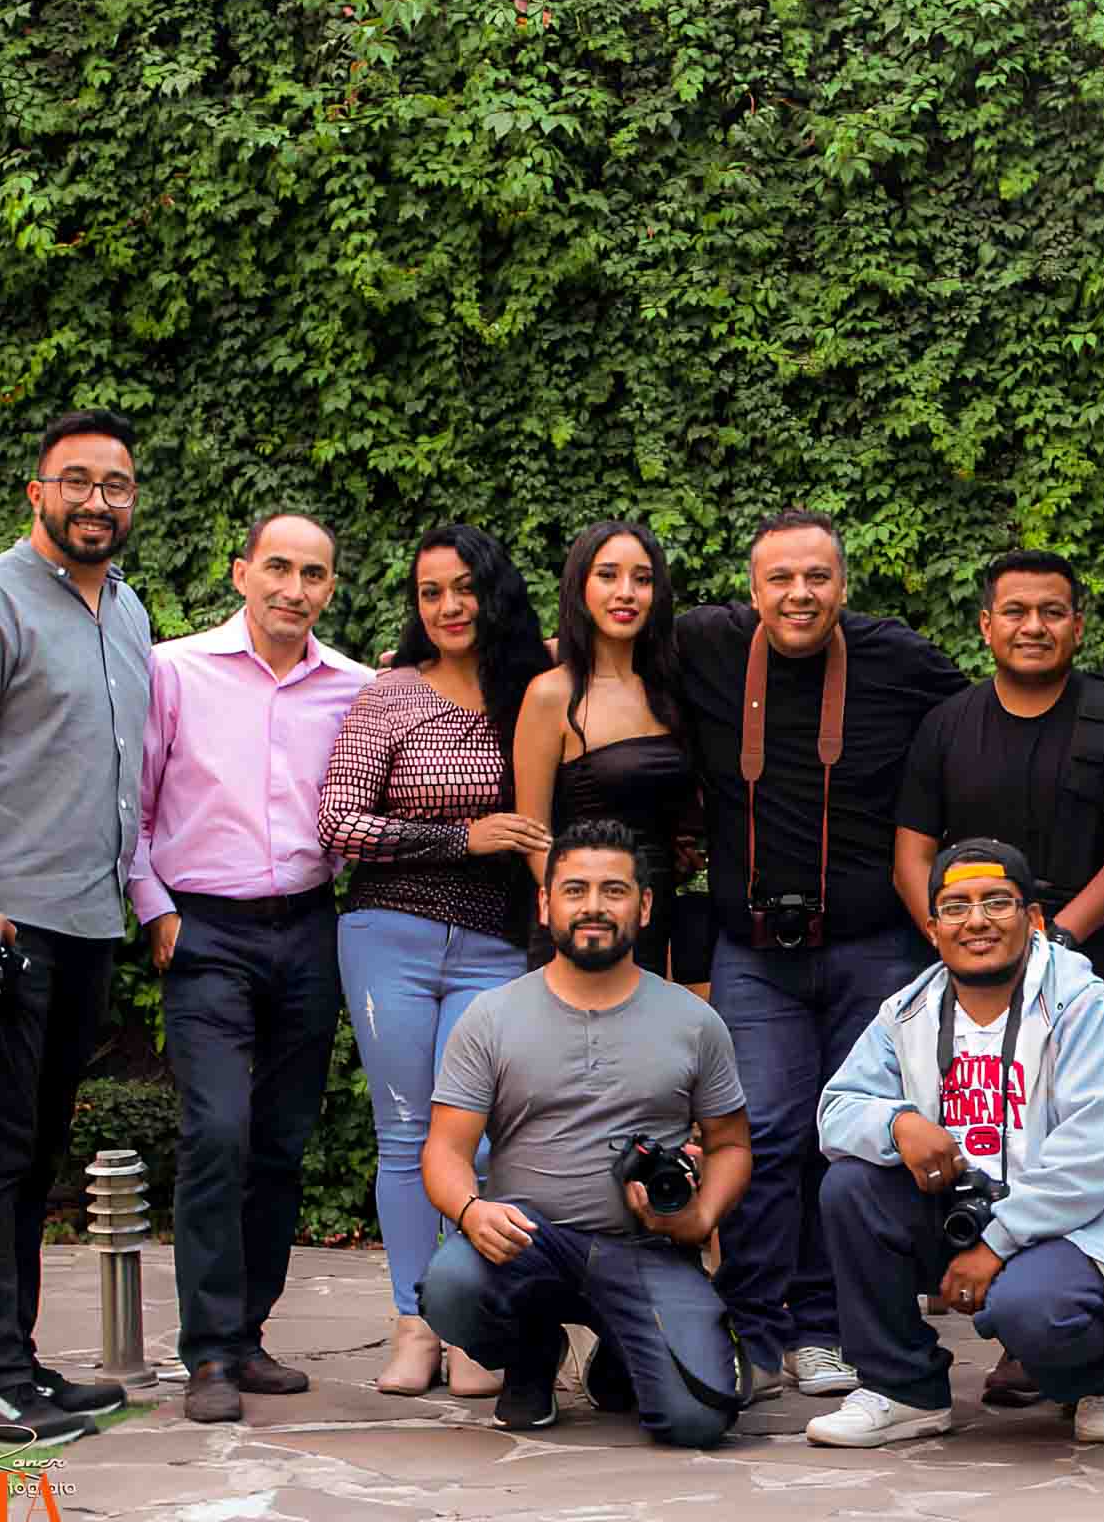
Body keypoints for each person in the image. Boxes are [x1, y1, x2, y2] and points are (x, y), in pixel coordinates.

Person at [676, 509, 968, 1399]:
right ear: (752, 589)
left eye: (817, 577)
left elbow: (989, 719)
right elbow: (593, 653)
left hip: (872, 948)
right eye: (781, 578)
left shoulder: (897, 658)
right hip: (754, 950)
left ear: (843, 583)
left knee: (853, 1139)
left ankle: (827, 1329)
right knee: (760, 1133)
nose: (799, 594)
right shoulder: (706, 645)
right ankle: (754, 1330)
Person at [0, 408, 152, 1446]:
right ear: (37, 492)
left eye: (116, 484)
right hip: (2, 919)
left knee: (39, 1149)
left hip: (87, 922)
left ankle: (20, 1362)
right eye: (77, 480)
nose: (97, 500)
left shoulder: (128, 610)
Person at [891, 549, 1104, 1406]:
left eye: (1052, 611)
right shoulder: (947, 726)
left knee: (1086, 1161)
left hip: (1093, 973)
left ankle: (1068, 1333)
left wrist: (1062, 934)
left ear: (1077, 625)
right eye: (1014, 611)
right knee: (986, 1151)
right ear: (986, 626)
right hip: (973, 984)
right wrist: (956, 937)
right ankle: (1001, 1335)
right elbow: (912, 853)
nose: (1033, 626)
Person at [805, 838, 1104, 1447]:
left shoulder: (1087, 1008)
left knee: (1034, 1312)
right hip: (959, 1211)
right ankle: (903, 1389)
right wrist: (897, 1124)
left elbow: (1093, 1163)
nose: (976, 921)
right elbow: (836, 1110)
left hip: (1072, 1226)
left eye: (997, 902)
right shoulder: (908, 1011)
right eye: (956, 907)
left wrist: (995, 1247)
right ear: (932, 929)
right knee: (851, 1186)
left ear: (1034, 919)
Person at [130, 513, 372, 1424]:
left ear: (330, 588)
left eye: (313, 574)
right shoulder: (174, 671)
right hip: (205, 933)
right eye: (278, 567)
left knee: (281, 1139)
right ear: (241, 573)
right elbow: (133, 803)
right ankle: (206, 1353)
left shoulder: (354, 687)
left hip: (308, 928)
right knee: (217, 1132)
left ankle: (247, 1335)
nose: (293, 589)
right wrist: (154, 908)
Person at [415, 819, 753, 1445]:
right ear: (546, 904)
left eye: (612, 891)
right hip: (526, 1242)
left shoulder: (694, 1021)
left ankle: (624, 1352)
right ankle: (533, 1351)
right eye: (575, 890)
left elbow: (731, 1144)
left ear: (644, 907)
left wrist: (702, 1215)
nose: (593, 906)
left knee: (696, 1421)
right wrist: (470, 1210)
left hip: (648, 1248)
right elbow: (444, 1149)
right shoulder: (491, 1017)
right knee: (452, 1286)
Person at [318, 523, 551, 1396]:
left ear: (496, 592)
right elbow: (339, 822)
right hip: (391, 935)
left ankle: (470, 1320)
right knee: (406, 1131)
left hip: (496, 942)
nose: (449, 607)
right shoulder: (391, 694)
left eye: (465, 588)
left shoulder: (535, 690)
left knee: (482, 1139)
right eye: (430, 592)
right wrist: (464, 837)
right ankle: (415, 1321)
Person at [513, 520, 691, 976]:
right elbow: (532, 833)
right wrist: (580, 911)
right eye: (608, 575)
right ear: (580, 587)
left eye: (642, 579)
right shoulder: (550, 693)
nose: (626, 593)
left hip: (654, 916)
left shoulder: (673, 688)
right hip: (577, 927)